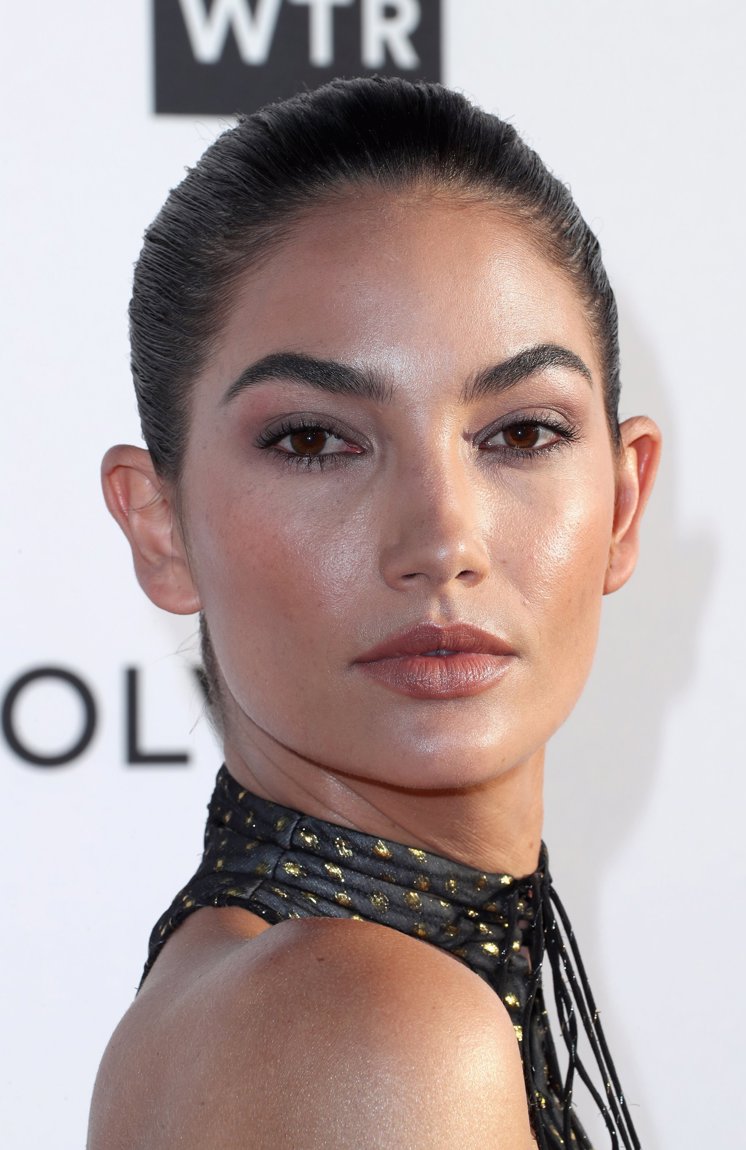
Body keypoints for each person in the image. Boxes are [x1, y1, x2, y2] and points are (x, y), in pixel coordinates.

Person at [88, 77, 660, 1149]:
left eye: (521, 434)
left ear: (623, 505)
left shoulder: (256, 986)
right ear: (161, 528)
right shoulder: (375, 1032)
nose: (443, 540)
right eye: (314, 441)